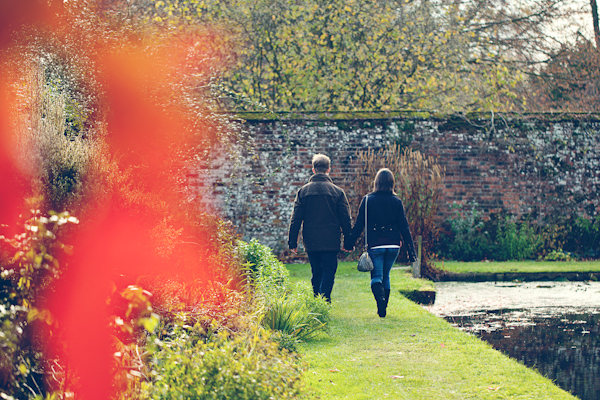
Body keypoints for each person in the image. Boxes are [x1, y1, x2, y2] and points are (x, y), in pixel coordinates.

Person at [348, 168, 417, 317]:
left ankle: (381, 306)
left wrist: (349, 243)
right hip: (393, 245)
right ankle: (383, 306)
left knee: (376, 277)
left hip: (375, 245)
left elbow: (359, 224)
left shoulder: (367, 200)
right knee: (386, 276)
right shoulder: (396, 201)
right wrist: (412, 253)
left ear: (376, 182)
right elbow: (404, 228)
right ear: (392, 183)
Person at [288, 154, 353, 303]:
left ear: (313, 169)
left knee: (316, 272)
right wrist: (348, 242)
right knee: (329, 271)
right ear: (328, 169)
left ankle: (318, 301)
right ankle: (324, 301)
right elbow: (345, 219)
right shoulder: (338, 192)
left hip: (311, 240)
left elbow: (296, 219)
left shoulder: (303, 192)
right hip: (331, 240)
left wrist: (292, 242)